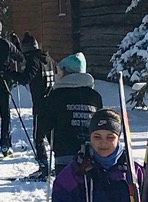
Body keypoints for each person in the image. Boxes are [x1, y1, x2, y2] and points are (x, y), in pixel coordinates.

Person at [33, 52, 102, 182]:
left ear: (66, 72)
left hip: (64, 152)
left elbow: (46, 123)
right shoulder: (95, 96)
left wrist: (55, 144)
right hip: (91, 153)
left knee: (66, 190)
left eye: (59, 71)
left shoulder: (56, 95)